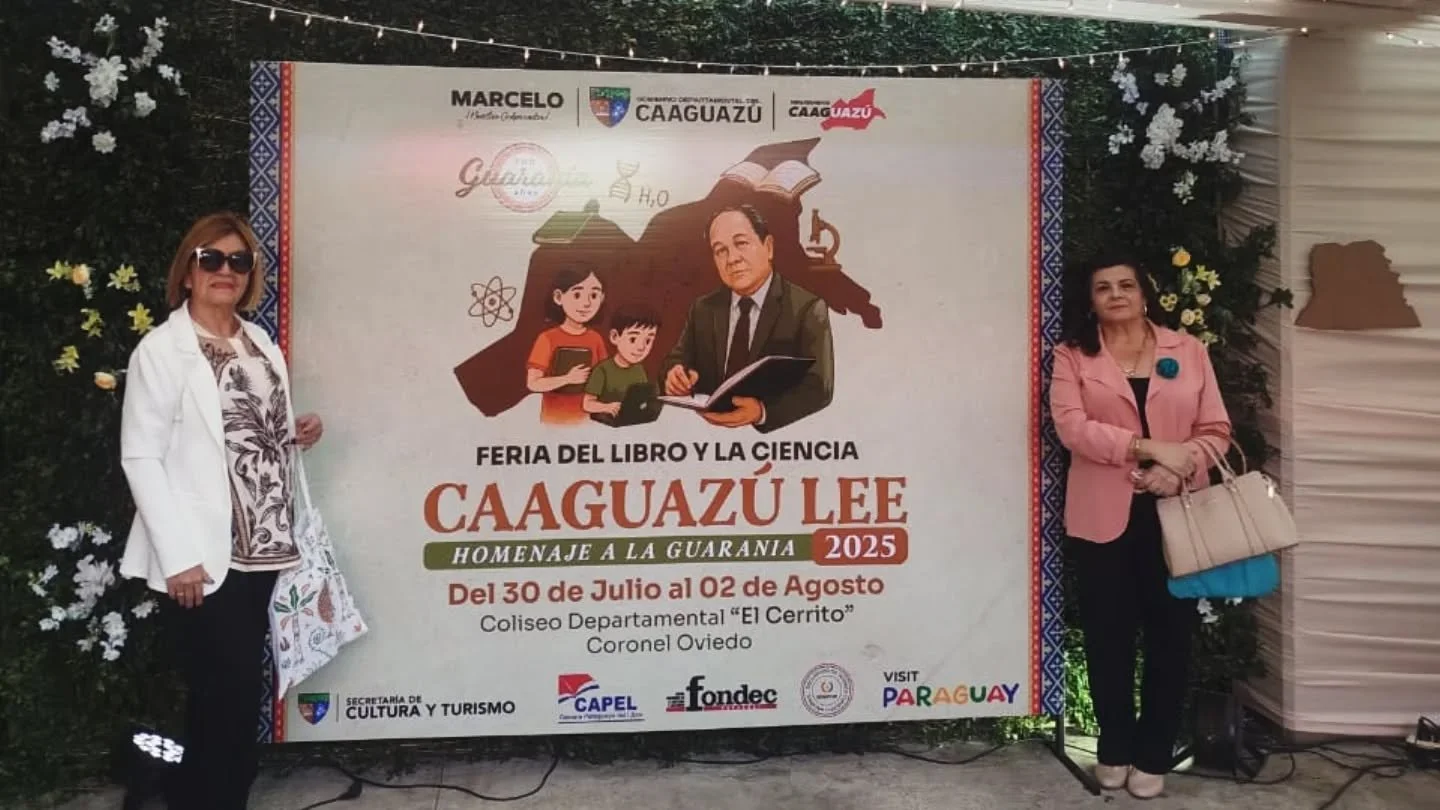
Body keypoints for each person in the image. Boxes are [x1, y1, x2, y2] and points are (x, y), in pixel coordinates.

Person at [119, 212, 324, 810]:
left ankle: (194, 792)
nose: (225, 271)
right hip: (203, 554)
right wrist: (178, 557)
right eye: (211, 259)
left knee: (232, 692)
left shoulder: (258, 342)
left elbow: (248, 429)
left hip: (265, 545)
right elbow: (140, 456)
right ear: (187, 272)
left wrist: (295, 431)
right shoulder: (162, 350)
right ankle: (207, 796)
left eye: (239, 261)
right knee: (223, 692)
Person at [1049, 253, 1232, 800]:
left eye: (1126, 284)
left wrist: (1177, 471)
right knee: (1107, 637)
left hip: (1178, 512)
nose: (1116, 294)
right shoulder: (1072, 356)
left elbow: (1216, 429)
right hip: (1102, 518)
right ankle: (1114, 748)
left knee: (1171, 637)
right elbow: (1072, 428)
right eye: (1103, 287)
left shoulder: (1188, 350)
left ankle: (1153, 754)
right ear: (1091, 301)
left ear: (1145, 293)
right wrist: (1147, 448)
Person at [662, 204, 833, 433]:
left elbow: (819, 388)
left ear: (768, 247)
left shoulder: (808, 308)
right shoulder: (703, 308)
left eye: (741, 243)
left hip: (779, 439)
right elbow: (677, 358)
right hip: (704, 436)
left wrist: (762, 412)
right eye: (720, 250)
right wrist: (675, 374)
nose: (732, 258)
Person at [525, 266, 608, 425]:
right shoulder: (547, 338)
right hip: (555, 419)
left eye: (594, 295)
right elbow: (533, 383)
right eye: (577, 295)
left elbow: (604, 377)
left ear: (602, 298)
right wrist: (568, 379)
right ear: (558, 297)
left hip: (590, 421)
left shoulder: (596, 339)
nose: (586, 303)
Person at [583, 303, 661, 417]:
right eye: (633, 339)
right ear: (615, 337)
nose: (641, 347)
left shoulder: (639, 370)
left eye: (648, 341)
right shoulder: (602, 370)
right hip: (605, 422)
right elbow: (587, 404)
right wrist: (607, 407)